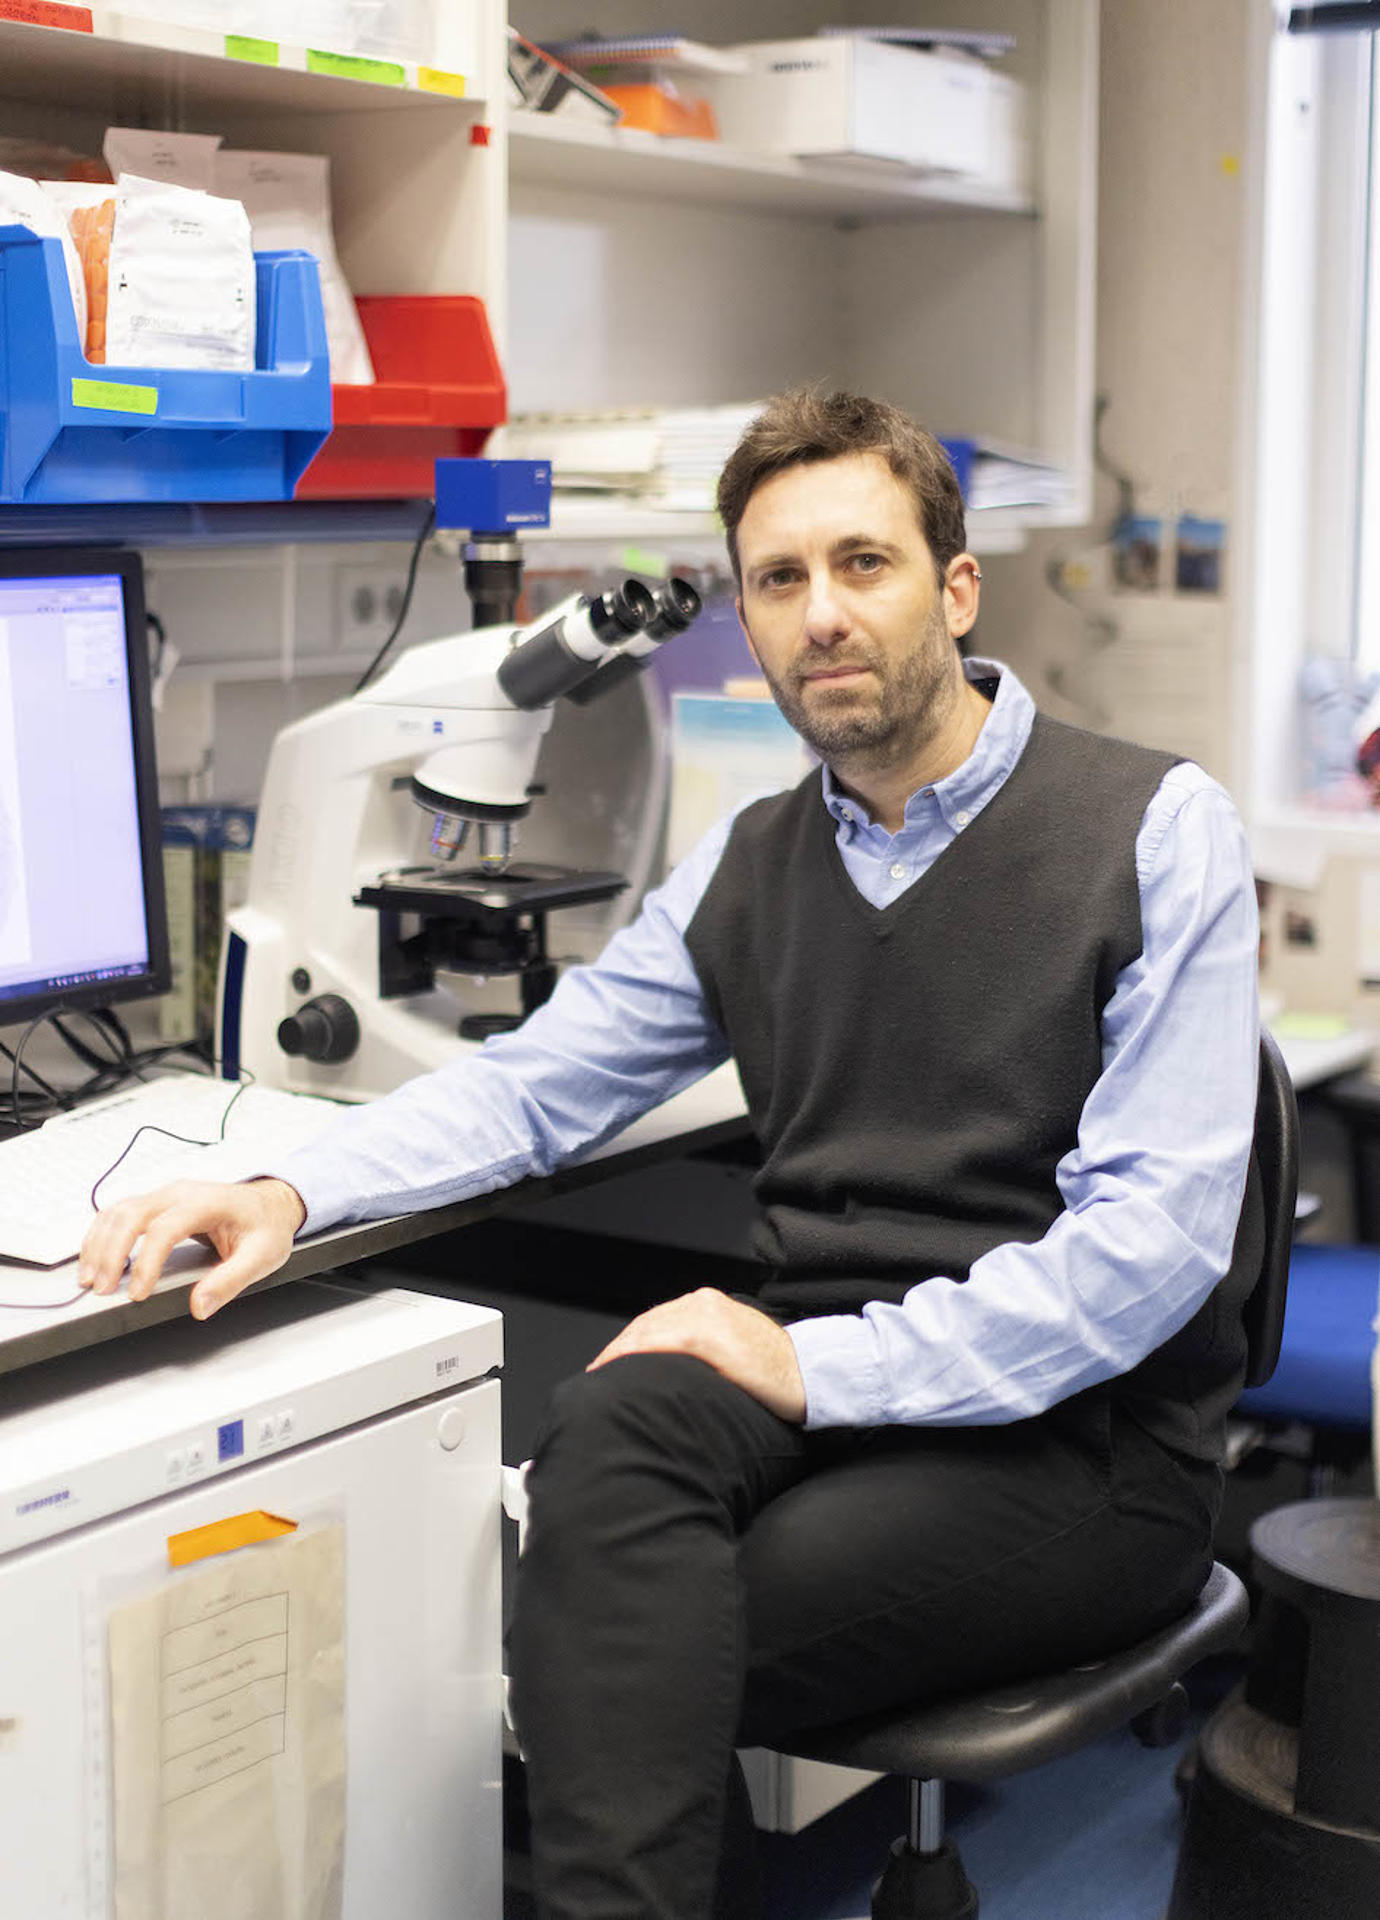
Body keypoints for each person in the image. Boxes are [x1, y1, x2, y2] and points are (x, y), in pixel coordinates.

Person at [78, 391, 1261, 1920]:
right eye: (780, 581)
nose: (822, 616)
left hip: (1087, 1444)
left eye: (864, 564)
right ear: (752, 622)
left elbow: (1146, 1260)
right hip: (823, 1373)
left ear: (956, 589)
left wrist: (811, 1369)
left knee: (616, 1637)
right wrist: (289, 1187)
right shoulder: (757, 861)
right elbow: (536, 1090)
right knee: (610, 1434)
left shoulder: (1156, 829)